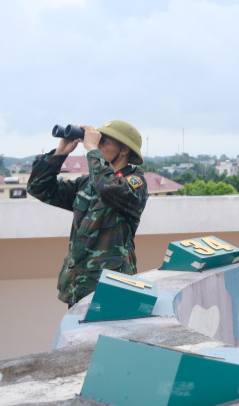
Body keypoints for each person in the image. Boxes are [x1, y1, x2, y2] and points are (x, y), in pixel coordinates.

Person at [27, 120, 148, 307]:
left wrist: (92, 149)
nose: (97, 145)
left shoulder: (135, 183)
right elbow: (39, 188)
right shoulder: (87, 183)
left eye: (104, 141)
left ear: (124, 150)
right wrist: (60, 154)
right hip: (78, 286)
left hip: (111, 289)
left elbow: (107, 188)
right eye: (97, 140)